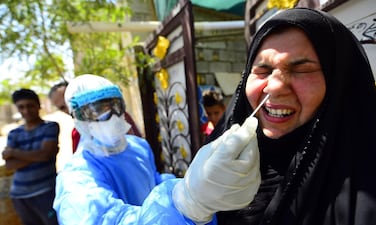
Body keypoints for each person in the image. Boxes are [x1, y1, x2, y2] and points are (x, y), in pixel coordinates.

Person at [204, 7, 376, 225]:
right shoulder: (217, 167)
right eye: (262, 70)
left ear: (339, 83)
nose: (275, 86)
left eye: (302, 69)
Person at [52, 74, 261, 225]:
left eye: (115, 105)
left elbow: (150, 180)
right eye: (98, 111)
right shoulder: (75, 178)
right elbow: (103, 220)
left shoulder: (137, 146)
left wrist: (184, 183)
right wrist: (184, 203)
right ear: (78, 119)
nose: (113, 116)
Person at [2, 88, 59, 225]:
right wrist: (39, 155)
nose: (26, 111)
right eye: (21, 107)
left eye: (30, 105)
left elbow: (45, 155)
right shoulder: (14, 133)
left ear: (38, 105)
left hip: (47, 193)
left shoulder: (50, 127)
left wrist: (13, 153)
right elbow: (10, 165)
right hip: (19, 196)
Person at [48, 81, 142, 153]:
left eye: (72, 103)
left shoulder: (118, 116)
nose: (70, 109)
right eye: (63, 107)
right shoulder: (77, 134)